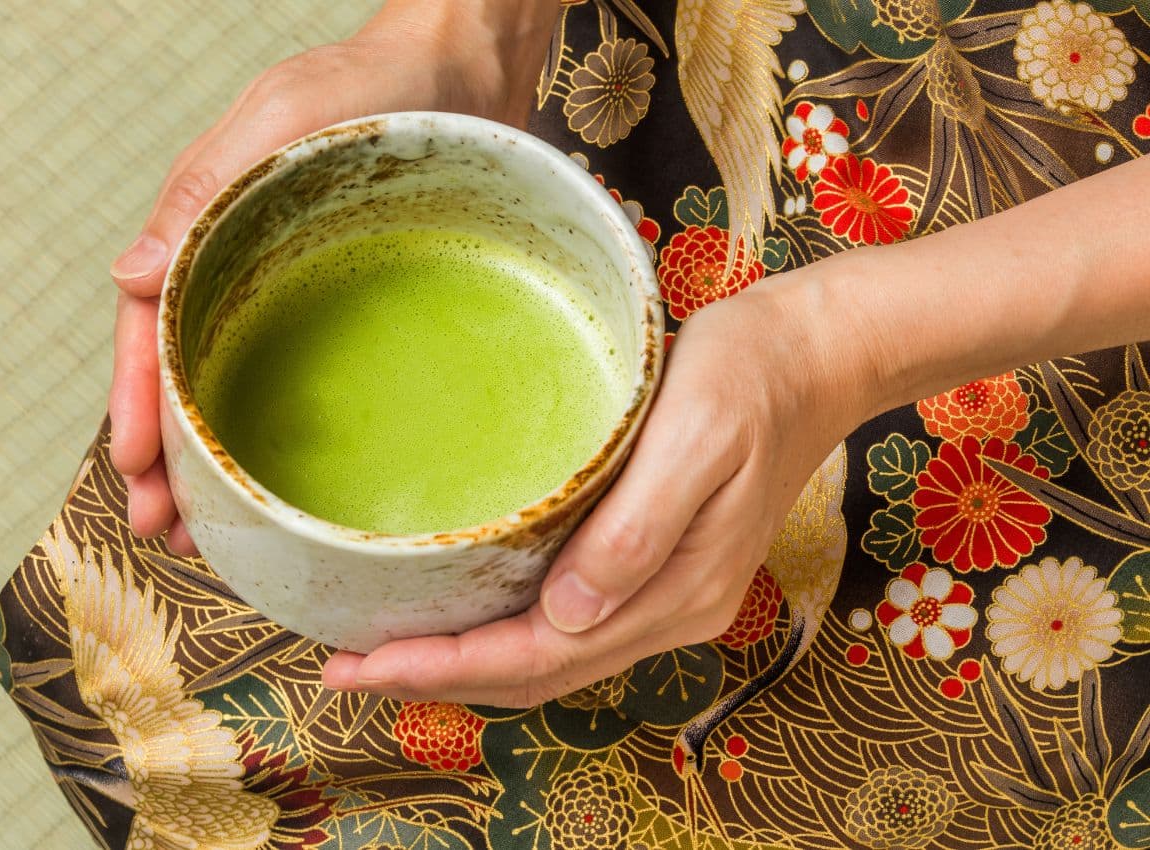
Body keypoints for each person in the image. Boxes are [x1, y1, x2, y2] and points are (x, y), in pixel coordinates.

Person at [107, 0, 1150, 712]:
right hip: (679, 63)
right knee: (129, 665)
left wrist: (834, 345)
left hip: (1073, 266)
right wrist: (465, 32)